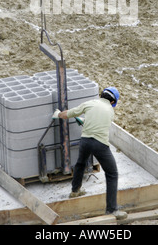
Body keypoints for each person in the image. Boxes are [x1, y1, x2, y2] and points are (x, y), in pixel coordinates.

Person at [52, 87, 128, 220]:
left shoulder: (90, 103)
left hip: (85, 141)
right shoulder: (110, 111)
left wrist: (58, 114)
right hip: (100, 144)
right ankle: (112, 209)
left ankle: (75, 191)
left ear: (101, 95)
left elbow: (68, 114)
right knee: (112, 174)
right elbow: (100, 124)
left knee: (80, 164)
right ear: (112, 102)